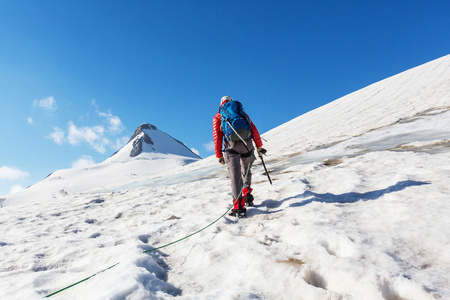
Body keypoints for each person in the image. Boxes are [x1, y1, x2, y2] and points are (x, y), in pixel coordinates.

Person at [213, 96, 266, 217]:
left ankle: (238, 207)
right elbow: (253, 129)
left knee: (235, 176)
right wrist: (259, 146)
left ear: (221, 103)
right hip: (247, 144)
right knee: (246, 171)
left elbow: (217, 136)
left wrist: (219, 155)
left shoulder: (219, 116)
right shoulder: (242, 113)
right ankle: (247, 194)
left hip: (231, 147)